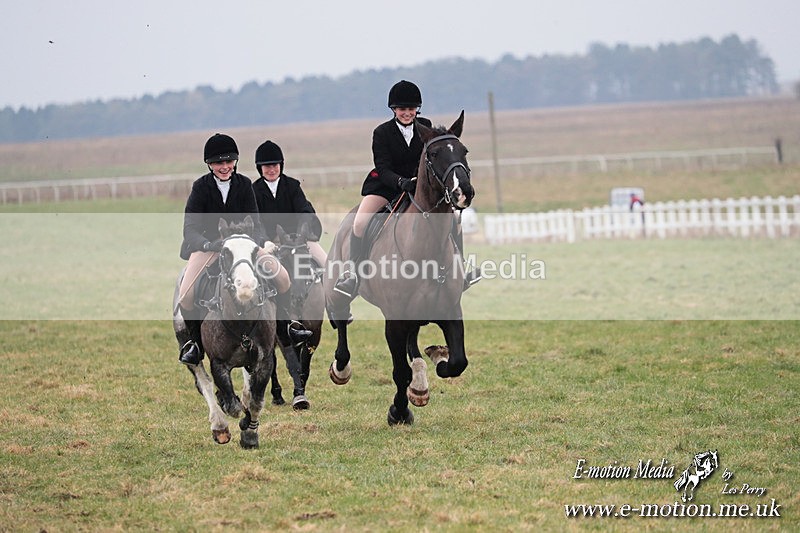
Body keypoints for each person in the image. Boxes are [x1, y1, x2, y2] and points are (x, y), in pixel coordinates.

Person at [333, 80, 480, 299]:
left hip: (421, 188)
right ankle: (353, 274)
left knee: (455, 220)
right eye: (403, 109)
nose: (408, 113)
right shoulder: (382, 133)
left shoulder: (425, 125)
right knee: (360, 222)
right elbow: (382, 168)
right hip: (387, 186)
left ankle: (460, 270)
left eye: (412, 109)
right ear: (394, 109)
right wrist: (401, 181)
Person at [176, 133, 310, 365]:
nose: (225, 167)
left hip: (244, 247)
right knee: (186, 295)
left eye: (229, 162)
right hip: (211, 248)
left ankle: (286, 328)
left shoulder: (245, 185)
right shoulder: (200, 187)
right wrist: (208, 245)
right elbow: (190, 229)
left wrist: (253, 243)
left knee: (283, 277)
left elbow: (256, 225)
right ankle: (195, 344)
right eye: (219, 163)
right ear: (209, 164)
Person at [252, 140, 327, 268]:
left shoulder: (292, 186)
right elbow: (256, 220)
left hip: (298, 239)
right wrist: (265, 241)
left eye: (275, 165)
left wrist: (301, 234)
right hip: (271, 243)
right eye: (267, 166)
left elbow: (305, 211)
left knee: (327, 264)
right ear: (260, 168)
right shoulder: (253, 191)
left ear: (281, 165)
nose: (271, 170)